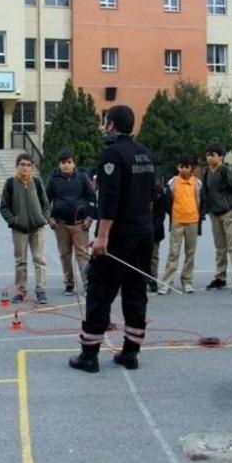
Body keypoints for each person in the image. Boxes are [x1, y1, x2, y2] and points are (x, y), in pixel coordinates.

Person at [69, 105, 155, 373]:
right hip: (143, 234)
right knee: (135, 292)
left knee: (99, 292)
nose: (104, 127)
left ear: (112, 125)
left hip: (119, 236)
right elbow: (152, 195)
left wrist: (102, 236)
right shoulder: (145, 153)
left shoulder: (112, 154)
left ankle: (89, 356)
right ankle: (131, 353)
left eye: (106, 122)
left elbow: (110, 198)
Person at [0, 154, 50, 305]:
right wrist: (14, 221)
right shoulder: (10, 183)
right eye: (22, 164)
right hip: (19, 230)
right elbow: (4, 207)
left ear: (32, 167)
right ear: (17, 166)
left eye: (28, 165)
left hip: (37, 228)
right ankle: (21, 292)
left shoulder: (36, 182)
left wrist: (45, 218)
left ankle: (41, 291)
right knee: (20, 262)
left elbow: (46, 204)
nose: (25, 167)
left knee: (39, 260)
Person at [46, 150, 95, 296]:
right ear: (59, 165)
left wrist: (89, 217)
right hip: (60, 225)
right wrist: (50, 218)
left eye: (69, 162)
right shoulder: (53, 179)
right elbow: (46, 201)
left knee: (83, 255)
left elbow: (92, 199)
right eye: (63, 163)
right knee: (65, 255)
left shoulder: (82, 178)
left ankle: (87, 285)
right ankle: (69, 284)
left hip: (80, 224)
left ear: (74, 164)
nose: (66, 165)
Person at [201, 143, 232, 293]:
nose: (209, 157)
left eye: (213, 155)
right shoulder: (207, 173)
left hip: (228, 214)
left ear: (220, 157)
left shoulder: (226, 172)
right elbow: (205, 193)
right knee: (220, 248)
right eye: (208, 154)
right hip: (215, 214)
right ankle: (220, 277)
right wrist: (205, 210)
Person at [159, 154, 202, 295]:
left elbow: (200, 201)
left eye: (187, 167)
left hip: (192, 221)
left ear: (192, 169)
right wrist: (172, 215)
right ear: (178, 167)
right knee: (173, 253)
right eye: (181, 166)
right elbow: (167, 202)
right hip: (177, 221)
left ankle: (187, 281)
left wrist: (198, 215)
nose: (183, 169)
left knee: (190, 253)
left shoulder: (197, 184)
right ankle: (167, 282)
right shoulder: (172, 183)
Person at [148, 180, 166, 293]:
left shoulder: (158, 191)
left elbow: (161, 212)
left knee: (154, 256)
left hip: (155, 229)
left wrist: (155, 227)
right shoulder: (135, 187)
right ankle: (139, 278)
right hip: (139, 228)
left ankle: (152, 279)